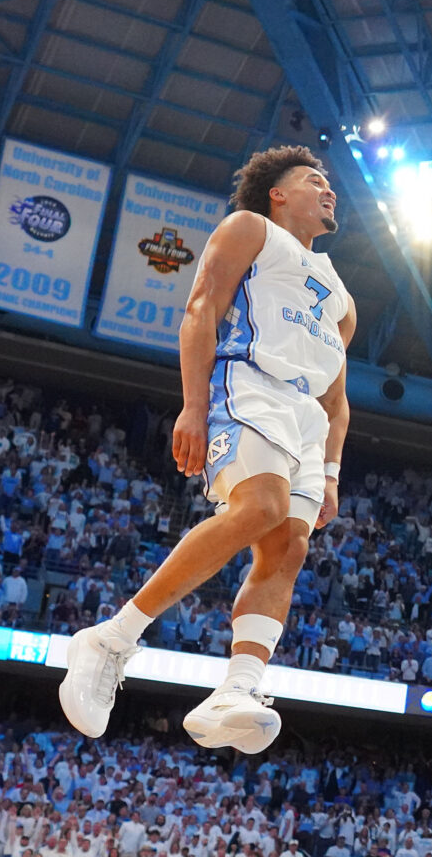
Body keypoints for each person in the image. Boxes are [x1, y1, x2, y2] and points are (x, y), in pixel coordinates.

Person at [59, 144, 355, 750]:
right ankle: (112, 638)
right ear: (278, 193)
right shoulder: (251, 229)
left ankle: (236, 691)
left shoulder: (343, 297)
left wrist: (330, 471)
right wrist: (193, 406)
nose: (329, 191)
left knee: (289, 548)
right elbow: (202, 309)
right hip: (248, 380)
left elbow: (338, 396)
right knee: (261, 509)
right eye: (313, 180)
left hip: (306, 417)